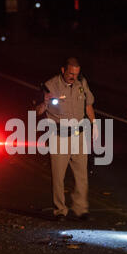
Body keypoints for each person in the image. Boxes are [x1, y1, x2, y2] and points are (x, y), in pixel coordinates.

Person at [36, 57, 98, 221]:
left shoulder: (81, 83)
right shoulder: (50, 86)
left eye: (76, 74)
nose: (73, 77)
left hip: (78, 135)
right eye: (70, 73)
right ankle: (60, 211)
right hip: (59, 136)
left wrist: (94, 124)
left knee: (81, 174)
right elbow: (37, 111)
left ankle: (81, 209)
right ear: (63, 70)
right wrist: (44, 102)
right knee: (58, 176)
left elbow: (88, 104)